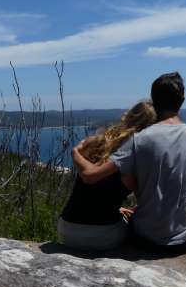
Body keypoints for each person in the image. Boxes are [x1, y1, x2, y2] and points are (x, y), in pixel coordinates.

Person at [72, 72, 186, 255]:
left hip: (146, 239)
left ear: (154, 100)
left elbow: (92, 176)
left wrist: (75, 152)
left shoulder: (139, 140)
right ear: (183, 99)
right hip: (185, 241)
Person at [58, 101, 157, 252]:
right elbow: (145, 201)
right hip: (102, 235)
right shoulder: (136, 155)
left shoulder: (97, 142)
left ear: (129, 116)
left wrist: (75, 152)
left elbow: (96, 192)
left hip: (67, 229)